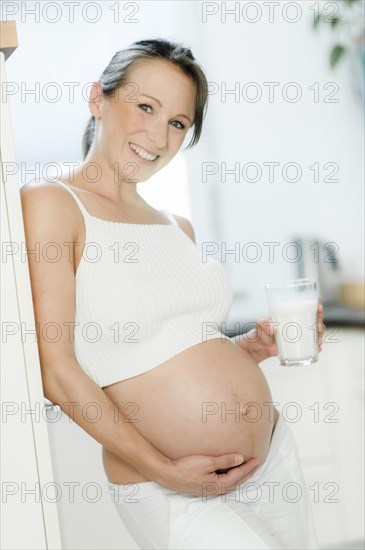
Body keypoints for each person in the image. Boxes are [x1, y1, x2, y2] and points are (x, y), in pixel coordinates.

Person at [21, 38, 324, 549]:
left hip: (270, 457)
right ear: (98, 99)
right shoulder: (51, 202)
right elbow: (56, 370)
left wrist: (250, 348)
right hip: (167, 482)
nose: (158, 136)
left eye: (178, 123)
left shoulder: (175, 226)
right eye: (145, 108)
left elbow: (171, 345)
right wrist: (163, 468)